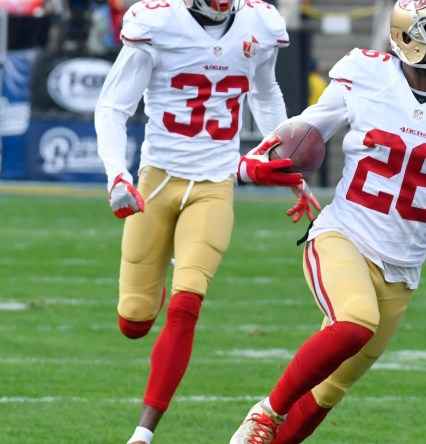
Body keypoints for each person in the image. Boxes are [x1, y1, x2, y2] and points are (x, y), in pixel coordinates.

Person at [230, 0, 426, 442]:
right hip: (344, 235)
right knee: (356, 321)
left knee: (327, 392)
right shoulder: (366, 73)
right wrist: (251, 164)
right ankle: (267, 411)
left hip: (402, 270)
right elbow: (305, 130)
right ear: (410, 37)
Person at [93, 0, 309, 443]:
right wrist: (116, 172)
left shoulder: (259, 24)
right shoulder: (156, 21)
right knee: (133, 322)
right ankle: (155, 286)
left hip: (215, 183)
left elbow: (265, 94)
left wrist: (285, 160)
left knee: (187, 303)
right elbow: (113, 106)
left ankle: (142, 434)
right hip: (156, 183)